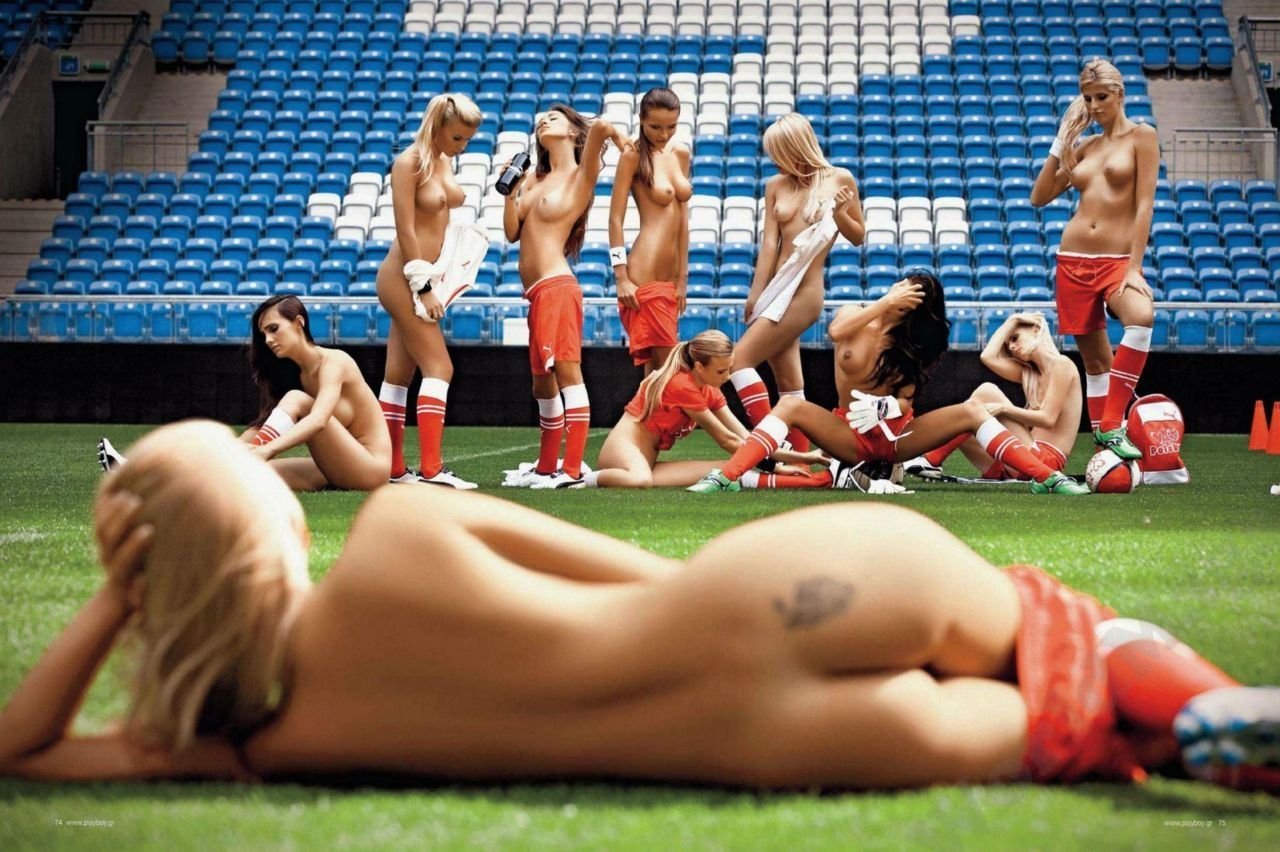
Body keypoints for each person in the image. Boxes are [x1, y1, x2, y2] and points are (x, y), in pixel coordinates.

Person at [3, 420, 1276, 793]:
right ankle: (1212, 707)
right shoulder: (398, 527)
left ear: (156, 588)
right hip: (756, 605)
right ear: (270, 516)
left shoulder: (253, 740)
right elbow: (644, 581)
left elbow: (27, 752)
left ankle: (1186, 742)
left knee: (1068, 741)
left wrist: (123, 598)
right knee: (1060, 633)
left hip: (761, 743)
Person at [689, 272, 1091, 495]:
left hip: (897, 437)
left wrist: (885, 407)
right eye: (905, 294)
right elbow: (836, 332)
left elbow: (906, 402)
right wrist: (883, 304)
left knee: (973, 409)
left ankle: (1048, 479)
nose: (905, 305)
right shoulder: (855, 314)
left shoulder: (911, 346)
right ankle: (726, 477)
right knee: (791, 406)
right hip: (848, 433)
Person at [96, 296, 390, 492]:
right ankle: (141, 477)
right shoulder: (296, 374)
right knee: (238, 477)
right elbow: (262, 428)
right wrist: (233, 450)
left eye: (274, 329)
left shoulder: (335, 362)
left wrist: (265, 451)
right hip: (332, 468)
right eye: (264, 334)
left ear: (299, 322)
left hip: (370, 469)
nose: (268, 340)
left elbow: (318, 421)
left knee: (297, 403)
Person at [1030, 59, 1158, 461]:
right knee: (1096, 362)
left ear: (1120, 94)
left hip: (1117, 261)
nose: (1094, 105)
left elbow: (1145, 205)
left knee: (1141, 316)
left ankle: (1111, 424)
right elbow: (1039, 196)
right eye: (1087, 99)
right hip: (1073, 261)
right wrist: (1061, 141)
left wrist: (1134, 267)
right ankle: (1107, 450)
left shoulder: (1142, 136)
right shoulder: (1085, 147)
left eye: (1101, 97)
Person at [500, 104, 632, 489]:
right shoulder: (534, 179)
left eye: (554, 117)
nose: (543, 119)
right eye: (540, 117)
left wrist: (621, 140)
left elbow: (602, 125)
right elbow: (512, 232)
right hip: (537, 294)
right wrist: (509, 192)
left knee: (568, 376)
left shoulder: (580, 175)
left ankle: (571, 470)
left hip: (558, 288)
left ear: (574, 132)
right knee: (542, 384)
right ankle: (546, 466)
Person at [726, 113, 866, 453]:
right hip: (774, 290)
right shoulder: (775, 185)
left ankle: (769, 449)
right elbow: (768, 246)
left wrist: (840, 214)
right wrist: (755, 294)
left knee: (737, 361)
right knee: (789, 384)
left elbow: (858, 236)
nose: (775, 160)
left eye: (779, 152)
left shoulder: (839, 178)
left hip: (805, 292)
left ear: (796, 147)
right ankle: (803, 458)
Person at [375, 93, 484, 489]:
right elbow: (405, 230)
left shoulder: (443, 160)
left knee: (398, 376)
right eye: (457, 137)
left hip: (425, 278)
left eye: (468, 139)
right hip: (404, 279)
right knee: (440, 368)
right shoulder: (408, 163)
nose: (463, 146)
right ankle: (433, 470)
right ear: (436, 127)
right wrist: (421, 287)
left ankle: (393, 469)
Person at [588, 330, 830, 489]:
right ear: (699, 367)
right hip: (623, 453)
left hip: (647, 462)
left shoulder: (709, 389)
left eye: (729, 369)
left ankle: (805, 481)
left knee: (727, 469)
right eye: (721, 371)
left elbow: (749, 440)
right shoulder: (682, 385)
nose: (727, 377)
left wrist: (804, 457)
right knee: (641, 481)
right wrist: (776, 466)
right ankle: (582, 479)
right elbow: (726, 440)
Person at [907, 312, 1082, 480]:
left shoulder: (1062, 364)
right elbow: (987, 356)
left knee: (986, 391)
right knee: (964, 419)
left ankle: (931, 460)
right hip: (1021, 459)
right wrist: (1011, 322)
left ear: (1036, 330)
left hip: (1046, 462)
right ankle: (933, 461)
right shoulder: (1030, 374)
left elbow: (1047, 419)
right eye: (1008, 344)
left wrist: (1004, 409)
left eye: (1015, 338)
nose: (1011, 347)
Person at [608, 88, 691, 374]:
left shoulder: (681, 153)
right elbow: (615, 219)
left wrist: (682, 279)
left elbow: (683, 219)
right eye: (655, 127)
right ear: (641, 119)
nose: (664, 134)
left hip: (671, 280)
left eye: (671, 126)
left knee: (656, 373)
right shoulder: (632, 156)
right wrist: (620, 277)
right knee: (670, 371)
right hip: (642, 275)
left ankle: (645, 408)